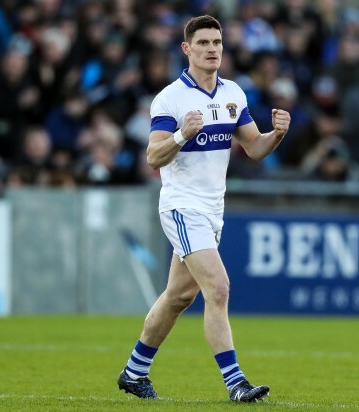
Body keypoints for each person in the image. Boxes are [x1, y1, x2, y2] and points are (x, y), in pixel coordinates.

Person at [117, 15, 291, 402]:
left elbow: (255, 149)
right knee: (219, 287)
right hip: (182, 206)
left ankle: (134, 371)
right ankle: (236, 383)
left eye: (217, 42)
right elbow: (152, 156)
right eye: (204, 43)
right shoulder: (170, 99)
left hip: (213, 211)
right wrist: (182, 134)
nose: (213, 49)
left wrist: (276, 134)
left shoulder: (234, 94)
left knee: (179, 296)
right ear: (187, 49)